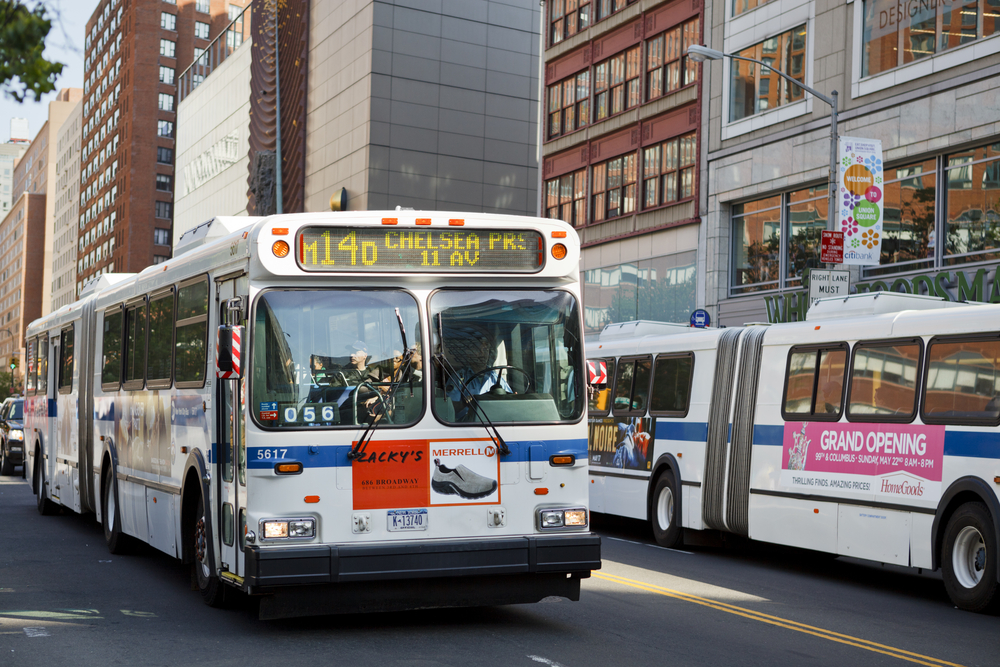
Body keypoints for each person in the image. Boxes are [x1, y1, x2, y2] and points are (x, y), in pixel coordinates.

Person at [444, 334, 512, 420]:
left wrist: (513, 398)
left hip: (493, 422)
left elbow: (509, 401)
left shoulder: (495, 377)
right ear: (469, 353)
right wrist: (465, 403)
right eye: (478, 350)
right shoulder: (458, 377)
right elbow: (449, 407)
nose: (482, 354)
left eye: (485, 350)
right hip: (466, 425)